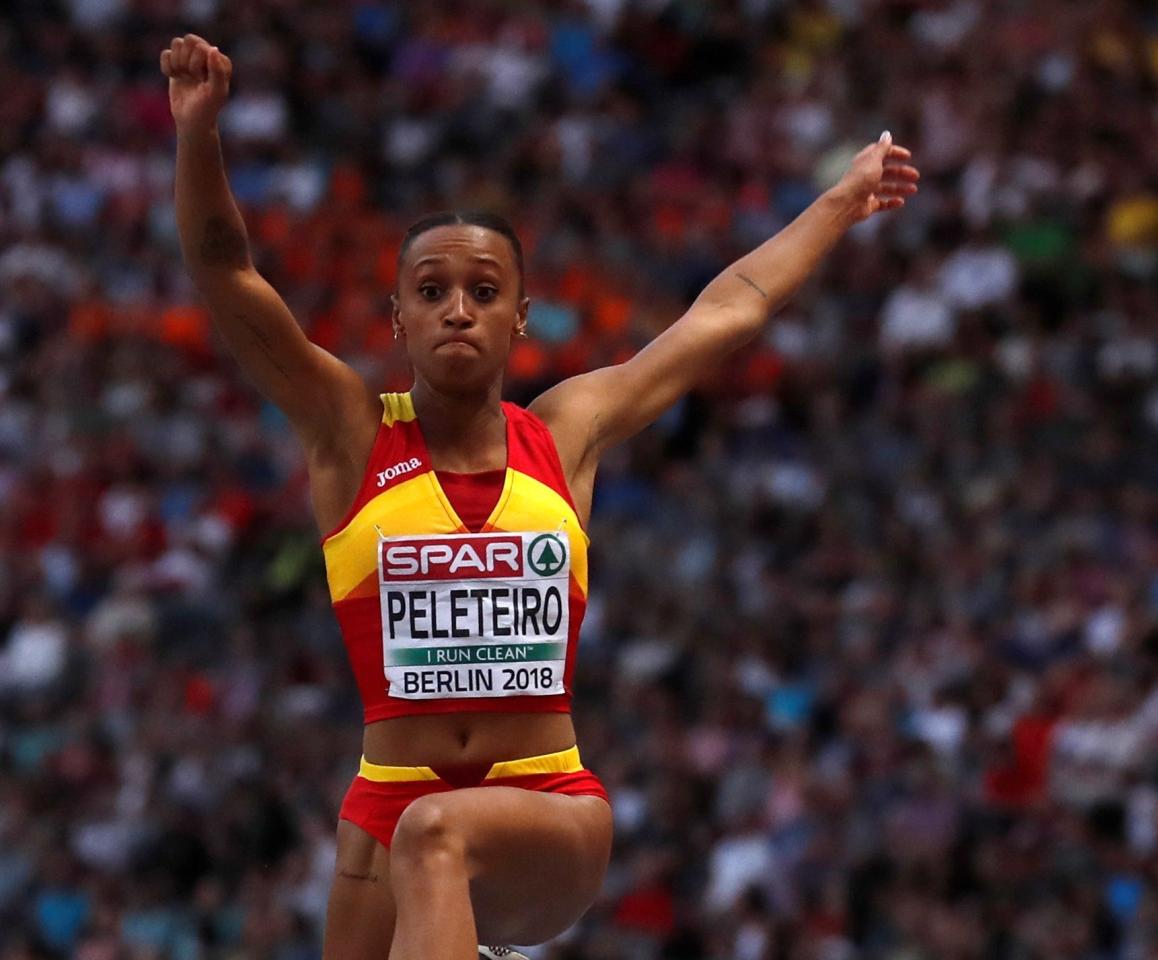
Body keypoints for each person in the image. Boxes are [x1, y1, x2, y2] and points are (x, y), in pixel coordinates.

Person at [159, 32, 919, 960]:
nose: (458, 310)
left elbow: (730, 308)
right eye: (431, 291)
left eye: (484, 290)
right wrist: (198, 134)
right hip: (384, 809)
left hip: (546, 804)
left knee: (436, 834)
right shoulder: (349, 431)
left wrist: (840, 202)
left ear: (521, 316)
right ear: (397, 316)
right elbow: (225, 272)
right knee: (417, 832)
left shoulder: (565, 432)